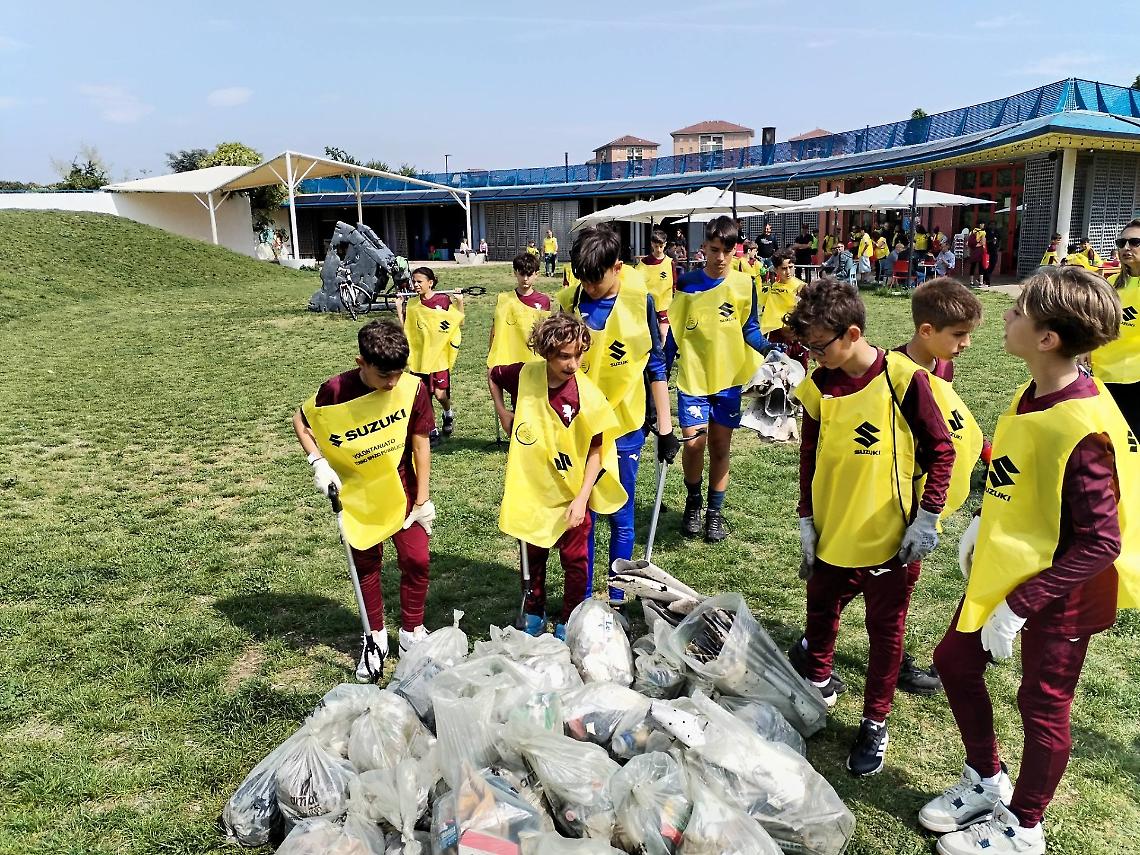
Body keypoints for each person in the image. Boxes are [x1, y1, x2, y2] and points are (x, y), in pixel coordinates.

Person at [920, 266, 1136, 855]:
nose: (1006, 317)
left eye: (1018, 311)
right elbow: (1025, 481)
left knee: (1042, 705)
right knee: (954, 662)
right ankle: (988, 780)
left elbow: (1101, 542)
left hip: (1063, 590)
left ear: (1047, 338)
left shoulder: (1082, 425)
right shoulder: (1033, 391)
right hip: (1013, 564)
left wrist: (1019, 607)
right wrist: (982, 525)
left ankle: (1024, 825)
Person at [787, 277, 954, 776]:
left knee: (886, 634)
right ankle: (817, 685)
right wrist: (806, 519)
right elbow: (809, 454)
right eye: (808, 347)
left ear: (853, 333)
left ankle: (874, 721)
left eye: (820, 346)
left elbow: (941, 450)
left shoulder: (902, 378)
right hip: (834, 533)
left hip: (890, 541)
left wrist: (927, 518)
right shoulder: (818, 386)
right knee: (820, 617)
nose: (813, 357)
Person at [292, 320, 436, 678]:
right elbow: (301, 419)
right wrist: (318, 462)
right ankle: (374, 639)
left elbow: (420, 442)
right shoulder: (336, 390)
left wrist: (422, 500)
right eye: (384, 376)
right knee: (366, 566)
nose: (392, 384)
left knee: (416, 560)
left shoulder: (413, 389)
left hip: (401, 489)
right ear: (361, 363)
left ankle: (411, 634)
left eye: (398, 374)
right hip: (357, 496)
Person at [558, 226, 679, 596]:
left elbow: (655, 364)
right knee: (585, 514)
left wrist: (665, 426)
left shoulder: (638, 299)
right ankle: (581, 599)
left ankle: (617, 597)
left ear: (617, 266)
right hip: (580, 424)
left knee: (621, 515)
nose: (589, 286)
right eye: (583, 278)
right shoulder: (570, 300)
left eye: (596, 278)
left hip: (625, 422)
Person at [491, 313, 627, 638]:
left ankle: (570, 619)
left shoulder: (587, 396)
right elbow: (493, 375)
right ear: (545, 352)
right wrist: (503, 412)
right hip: (534, 492)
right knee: (533, 556)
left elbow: (598, 450)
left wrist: (582, 499)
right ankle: (534, 611)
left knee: (576, 562)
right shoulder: (525, 375)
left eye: (579, 354)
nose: (573, 363)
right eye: (565, 356)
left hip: (572, 495)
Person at [892, 279, 985, 695]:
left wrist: (984, 451)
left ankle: (882, 652)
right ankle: (819, 645)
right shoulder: (892, 373)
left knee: (897, 583)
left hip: (928, 501)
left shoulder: (942, 365)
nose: (966, 344)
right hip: (893, 500)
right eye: (959, 335)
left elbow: (947, 414)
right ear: (926, 331)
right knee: (873, 580)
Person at [666, 216, 771, 542]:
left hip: (728, 383)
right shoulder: (688, 283)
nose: (721, 257)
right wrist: (660, 371)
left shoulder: (744, 284)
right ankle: (693, 503)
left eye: (728, 250)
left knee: (720, 447)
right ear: (704, 248)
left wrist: (773, 351)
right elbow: (675, 331)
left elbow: (750, 329)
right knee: (694, 445)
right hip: (693, 381)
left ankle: (714, 512)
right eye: (715, 249)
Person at [396, 267, 464, 445]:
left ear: (430, 283)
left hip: (439, 357)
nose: (416, 285)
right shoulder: (412, 304)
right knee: (424, 396)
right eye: (414, 281)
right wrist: (399, 309)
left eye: (419, 281)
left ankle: (448, 413)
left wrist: (459, 303)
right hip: (420, 359)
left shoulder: (443, 300)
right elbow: (406, 331)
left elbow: (459, 322)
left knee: (441, 395)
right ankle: (432, 430)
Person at [1090, 219, 1140, 432]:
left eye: (1134, 242)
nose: (1126, 248)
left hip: (1133, 378)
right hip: (1102, 375)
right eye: (1121, 242)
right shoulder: (1111, 283)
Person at [487, 252, 552, 371]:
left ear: (536, 274)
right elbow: (495, 330)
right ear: (515, 272)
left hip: (535, 360)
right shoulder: (504, 299)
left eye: (529, 274)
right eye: (522, 274)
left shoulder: (544, 301)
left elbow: (545, 333)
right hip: (511, 358)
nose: (525, 279)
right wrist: (492, 355)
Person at [762, 249, 809, 368]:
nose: (788, 271)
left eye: (791, 267)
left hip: (797, 338)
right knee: (777, 372)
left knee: (799, 372)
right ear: (776, 269)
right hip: (778, 338)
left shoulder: (801, 287)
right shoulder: (772, 289)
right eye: (783, 268)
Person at [637, 227, 680, 341]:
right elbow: (637, 283)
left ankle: (662, 355)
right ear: (652, 244)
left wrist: (676, 299)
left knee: (663, 333)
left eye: (661, 246)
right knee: (648, 335)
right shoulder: (644, 263)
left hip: (665, 304)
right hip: (648, 304)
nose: (659, 249)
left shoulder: (670, 262)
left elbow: (675, 283)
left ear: (665, 244)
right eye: (656, 246)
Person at [967, 222, 987, 287]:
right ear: (980, 224)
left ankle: (971, 282)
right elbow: (983, 243)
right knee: (981, 267)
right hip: (979, 251)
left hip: (973, 251)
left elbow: (968, 243)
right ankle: (981, 283)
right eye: (983, 224)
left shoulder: (972, 231)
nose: (983, 225)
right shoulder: (983, 232)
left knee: (973, 266)